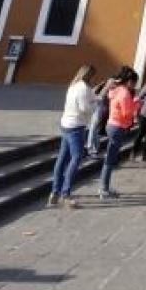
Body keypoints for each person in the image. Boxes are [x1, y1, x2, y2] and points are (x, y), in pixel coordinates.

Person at [47, 64, 97, 209]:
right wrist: (95, 105)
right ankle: (65, 193)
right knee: (76, 158)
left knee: (62, 158)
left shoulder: (73, 85)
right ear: (89, 75)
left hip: (66, 124)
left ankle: (54, 193)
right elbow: (85, 109)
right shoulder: (83, 88)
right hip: (76, 126)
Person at [98, 67, 140, 200]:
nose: (134, 85)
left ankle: (105, 186)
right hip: (118, 126)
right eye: (134, 82)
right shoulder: (125, 93)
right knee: (110, 159)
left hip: (111, 124)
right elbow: (126, 112)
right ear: (128, 81)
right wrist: (137, 103)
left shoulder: (115, 90)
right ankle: (103, 188)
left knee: (111, 158)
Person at [87, 74, 116, 155]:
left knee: (97, 131)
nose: (113, 84)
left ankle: (95, 148)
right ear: (108, 82)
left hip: (105, 114)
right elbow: (94, 95)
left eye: (114, 82)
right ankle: (90, 147)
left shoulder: (113, 90)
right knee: (93, 129)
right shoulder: (103, 88)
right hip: (98, 112)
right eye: (112, 82)